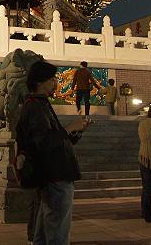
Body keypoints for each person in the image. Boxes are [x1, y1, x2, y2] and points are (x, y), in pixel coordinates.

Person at [17, 60, 90, 245]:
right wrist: (68, 128)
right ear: (39, 82)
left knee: (44, 233)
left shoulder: (40, 104)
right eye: (52, 79)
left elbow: (56, 139)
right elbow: (42, 143)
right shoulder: (35, 106)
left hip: (52, 175)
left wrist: (77, 130)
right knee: (57, 232)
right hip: (55, 176)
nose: (56, 83)